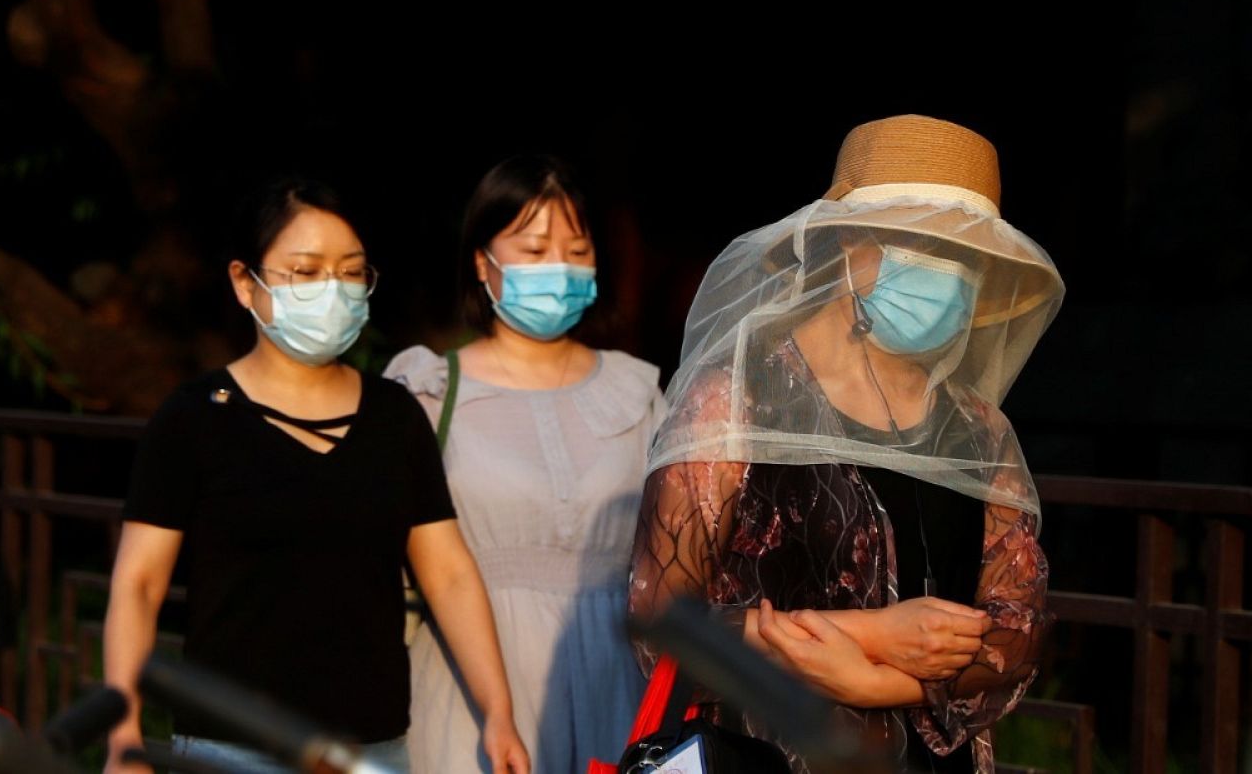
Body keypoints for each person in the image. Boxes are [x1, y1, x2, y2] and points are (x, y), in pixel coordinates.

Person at [628, 115, 1063, 772]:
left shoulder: (979, 428)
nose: (946, 277)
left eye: (965, 258)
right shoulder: (738, 401)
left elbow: (1018, 629)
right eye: (921, 244)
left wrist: (877, 684)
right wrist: (873, 635)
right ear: (846, 241)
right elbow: (659, 622)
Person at [103, 178, 529, 774]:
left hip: (370, 748)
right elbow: (138, 585)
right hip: (229, 749)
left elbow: (450, 574)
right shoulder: (194, 417)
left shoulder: (394, 415)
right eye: (306, 272)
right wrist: (122, 732)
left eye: (350, 272)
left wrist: (499, 712)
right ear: (244, 283)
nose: (332, 289)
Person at [386, 155, 664, 774]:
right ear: (482, 263)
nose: (559, 267)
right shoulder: (427, 392)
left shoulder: (638, 392)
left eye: (576, 250)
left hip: (618, 685)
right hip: (469, 694)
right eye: (535, 250)